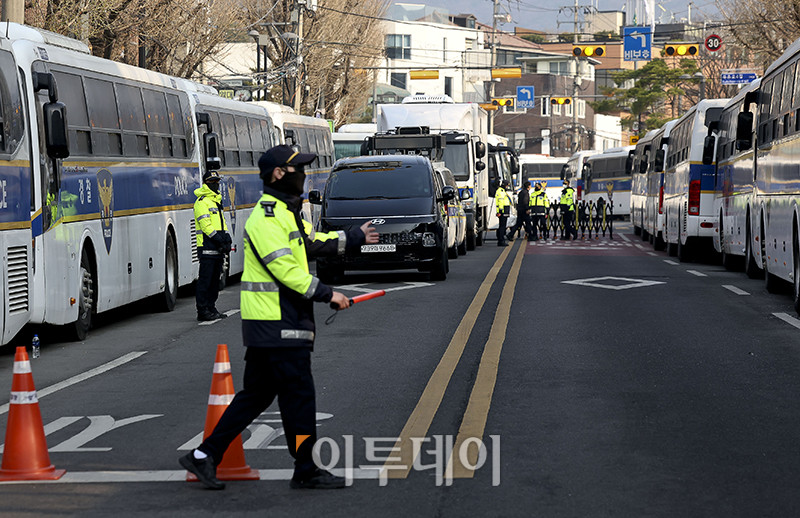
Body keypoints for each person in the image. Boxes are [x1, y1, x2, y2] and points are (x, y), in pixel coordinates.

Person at [180, 145, 379, 491]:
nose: (302, 175)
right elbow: (285, 268)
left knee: (255, 396)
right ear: (278, 174)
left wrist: (353, 237)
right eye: (297, 169)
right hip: (279, 326)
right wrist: (327, 293)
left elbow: (311, 242)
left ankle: (204, 455)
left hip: (269, 326)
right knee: (299, 398)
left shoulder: (285, 214)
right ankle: (305, 467)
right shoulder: (267, 218)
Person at [194, 170, 232, 321]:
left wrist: (227, 238)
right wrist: (219, 240)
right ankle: (202, 310)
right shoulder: (202, 202)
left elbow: (222, 223)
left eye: (217, 182)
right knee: (206, 281)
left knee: (216, 281)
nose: (216, 184)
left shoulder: (216, 200)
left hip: (217, 248)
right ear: (206, 184)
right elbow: (206, 226)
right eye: (212, 182)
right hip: (207, 247)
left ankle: (211, 307)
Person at [495, 180, 512, 246]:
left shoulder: (502, 191)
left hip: (504, 210)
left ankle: (500, 240)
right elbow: (501, 202)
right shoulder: (501, 191)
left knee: (502, 226)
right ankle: (501, 241)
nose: (507, 187)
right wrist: (500, 212)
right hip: (503, 210)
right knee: (502, 226)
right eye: (507, 185)